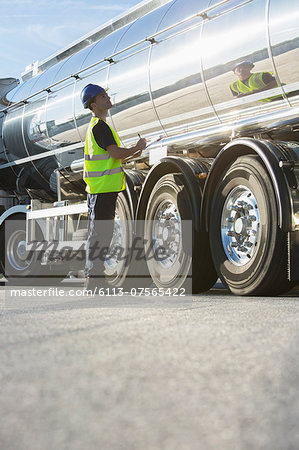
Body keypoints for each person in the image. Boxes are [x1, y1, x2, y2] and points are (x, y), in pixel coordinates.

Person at [80, 83, 146, 291]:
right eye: (102, 96)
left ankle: (95, 281)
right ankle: (94, 282)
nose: (107, 98)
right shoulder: (99, 127)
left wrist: (135, 152)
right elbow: (116, 153)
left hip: (103, 189)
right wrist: (136, 148)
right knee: (100, 235)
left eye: (106, 94)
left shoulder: (100, 126)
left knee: (101, 234)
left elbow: (113, 157)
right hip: (101, 190)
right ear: (93, 104)